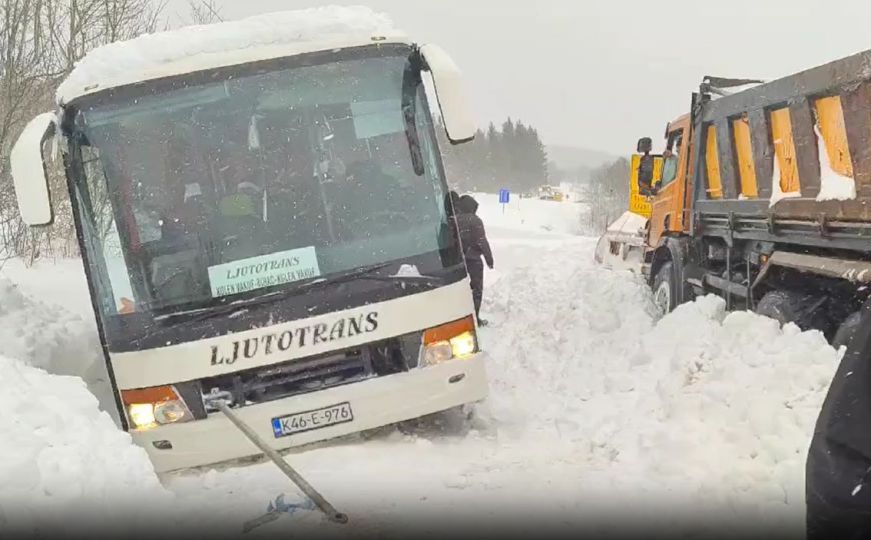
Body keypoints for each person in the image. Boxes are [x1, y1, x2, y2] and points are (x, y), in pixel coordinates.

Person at [455, 194, 494, 326]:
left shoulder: (453, 220)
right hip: (473, 261)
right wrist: (489, 259)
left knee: (460, 290)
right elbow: (482, 241)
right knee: (476, 290)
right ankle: (474, 318)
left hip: (457, 261)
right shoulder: (475, 221)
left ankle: (459, 318)